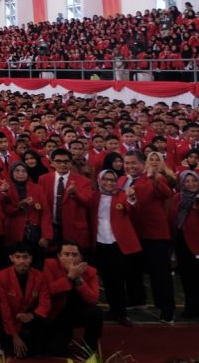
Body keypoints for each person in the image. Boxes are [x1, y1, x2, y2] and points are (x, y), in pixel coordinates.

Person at [121, 151, 175, 323]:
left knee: (160, 274)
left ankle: (167, 309)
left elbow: (166, 193)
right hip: (130, 234)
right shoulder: (122, 180)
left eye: (133, 163)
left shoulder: (154, 177)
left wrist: (153, 178)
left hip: (154, 235)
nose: (130, 166)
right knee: (132, 270)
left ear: (143, 164)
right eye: (126, 163)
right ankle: (137, 299)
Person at [90, 168, 139, 327]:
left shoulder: (122, 196)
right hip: (98, 243)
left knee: (117, 279)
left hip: (116, 244)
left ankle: (120, 312)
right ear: (99, 180)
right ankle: (112, 309)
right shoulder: (93, 196)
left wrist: (131, 197)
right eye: (106, 179)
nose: (109, 183)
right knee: (105, 279)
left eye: (112, 180)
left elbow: (131, 208)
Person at [43, 241, 102, 355]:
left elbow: (93, 299)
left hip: (79, 312)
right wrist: (69, 277)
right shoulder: (49, 265)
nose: (70, 258)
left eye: (75, 255)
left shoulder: (90, 271)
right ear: (59, 256)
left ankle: (89, 347)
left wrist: (78, 279)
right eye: (66, 254)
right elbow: (49, 290)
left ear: (81, 257)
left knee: (96, 313)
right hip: (57, 313)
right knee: (54, 351)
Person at [0, 242, 51, 358]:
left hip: (31, 319)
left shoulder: (40, 276)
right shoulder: (2, 276)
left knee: (36, 353)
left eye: (25, 257)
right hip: (11, 321)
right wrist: (15, 336)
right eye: (17, 257)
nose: (21, 261)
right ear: (11, 258)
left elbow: (45, 303)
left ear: (30, 259)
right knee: (17, 354)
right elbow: (5, 309)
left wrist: (31, 315)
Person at [39, 148, 92, 251]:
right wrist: (45, 232)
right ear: (52, 163)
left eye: (66, 161)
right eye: (58, 161)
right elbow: (43, 207)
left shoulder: (84, 181)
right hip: (52, 228)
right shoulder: (43, 179)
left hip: (74, 229)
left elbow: (89, 202)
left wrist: (76, 193)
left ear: (71, 163)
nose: (62, 164)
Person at [171, 170, 199, 318]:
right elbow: (173, 218)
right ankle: (190, 308)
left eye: (194, 181)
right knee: (187, 278)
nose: (191, 184)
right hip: (181, 242)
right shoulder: (177, 198)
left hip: (197, 243)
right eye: (187, 181)